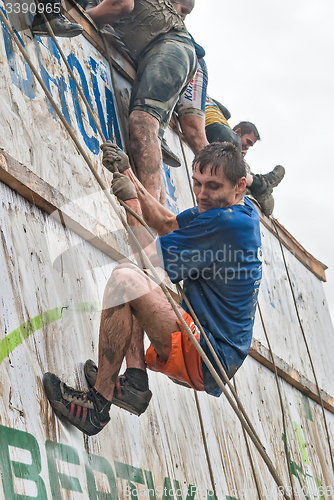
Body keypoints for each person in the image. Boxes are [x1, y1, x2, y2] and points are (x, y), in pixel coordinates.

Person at [43, 141, 263, 436]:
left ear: (240, 185)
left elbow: (145, 258)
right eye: (197, 184)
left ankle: (98, 404)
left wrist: (131, 202)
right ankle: (134, 383)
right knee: (135, 286)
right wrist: (128, 173)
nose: (202, 195)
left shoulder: (228, 224)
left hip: (208, 354)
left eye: (213, 186)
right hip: (212, 347)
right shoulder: (240, 208)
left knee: (125, 279)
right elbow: (168, 224)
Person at [75, 0, 197, 205]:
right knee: (147, 138)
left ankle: (150, 212)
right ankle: (159, 212)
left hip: (168, 47)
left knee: (143, 122)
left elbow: (122, 5)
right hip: (166, 52)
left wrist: (86, 16)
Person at [205, 97, 285, 216]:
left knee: (240, 166)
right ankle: (260, 184)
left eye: (250, 145)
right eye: (247, 142)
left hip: (217, 130)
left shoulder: (204, 98)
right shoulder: (230, 137)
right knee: (234, 164)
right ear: (237, 132)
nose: (247, 147)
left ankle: (257, 185)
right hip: (217, 130)